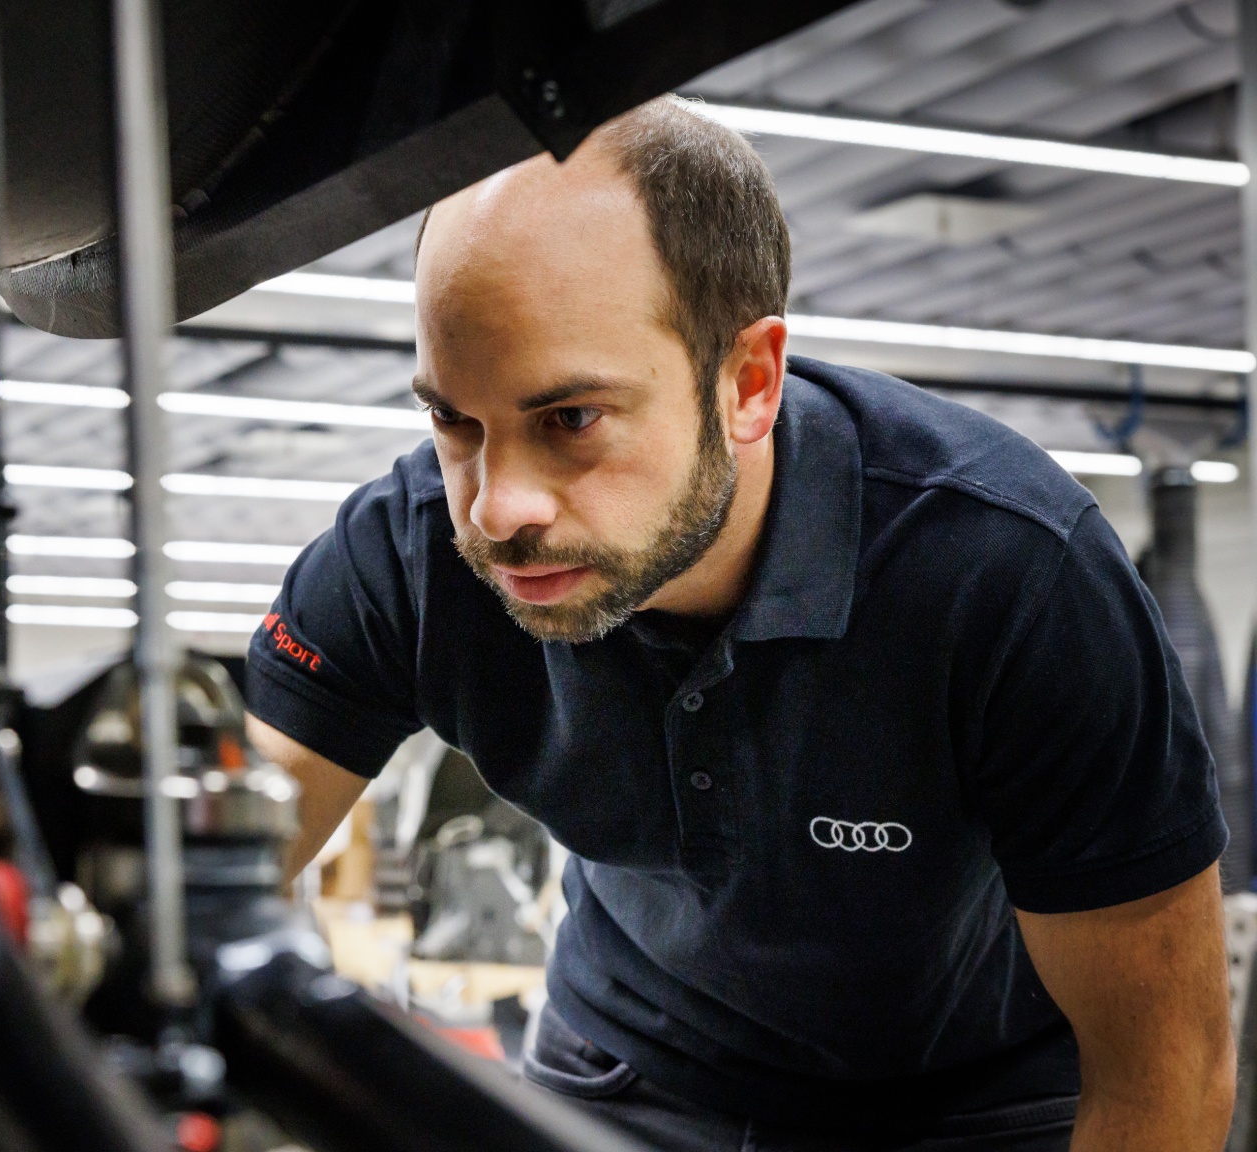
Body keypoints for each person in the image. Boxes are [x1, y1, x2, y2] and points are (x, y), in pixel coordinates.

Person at [243, 97, 1235, 1151]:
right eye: (453, 421)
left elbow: (1164, 1073)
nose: (496, 509)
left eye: (568, 421)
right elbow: (198, 886)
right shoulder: (408, 552)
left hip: (972, 1106)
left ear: (749, 382)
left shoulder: (1010, 574)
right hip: (628, 1076)